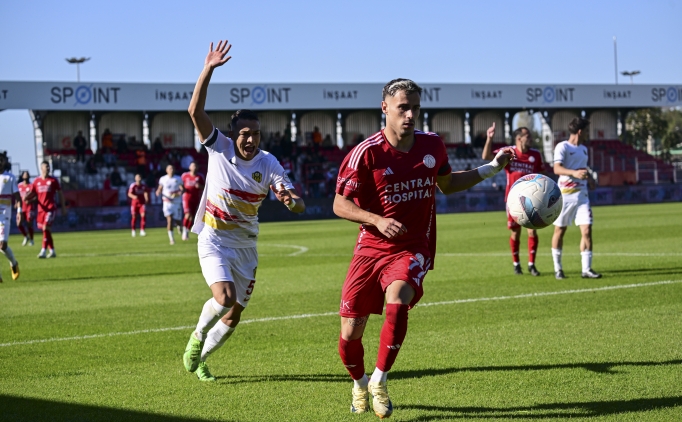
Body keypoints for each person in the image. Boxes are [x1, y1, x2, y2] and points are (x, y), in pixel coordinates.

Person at [334, 78, 513, 418]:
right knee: (349, 334)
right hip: (371, 247)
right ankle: (359, 383)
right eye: (403, 107)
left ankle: (380, 381)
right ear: (385, 107)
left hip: (413, 246)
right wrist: (376, 219)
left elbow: (447, 184)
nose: (410, 114)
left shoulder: (432, 145)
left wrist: (491, 168)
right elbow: (340, 204)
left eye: (415, 107)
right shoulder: (365, 152)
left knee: (398, 301)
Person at [182, 39, 306, 382]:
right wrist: (207, 69)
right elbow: (195, 112)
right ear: (233, 134)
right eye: (245, 134)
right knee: (223, 298)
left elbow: (296, 201)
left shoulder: (268, 164)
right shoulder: (218, 147)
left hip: (246, 246)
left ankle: (203, 358)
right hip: (214, 238)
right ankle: (195, 338)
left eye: (257, 134)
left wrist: (291, 201)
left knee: (234, 316)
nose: (251, 140)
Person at [482, 125, 544, 276]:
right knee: (515, 233)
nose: (530, 139)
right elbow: (486, 156)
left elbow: (542, 173)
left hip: (531, 201)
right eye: (527, 136)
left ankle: (532, 264)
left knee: (532, 232)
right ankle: (516, 264)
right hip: (513, 201)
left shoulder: (535, 155)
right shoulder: (509, 152)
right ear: (519, 138)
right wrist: (489, 138)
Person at [551, 117, 601, 280]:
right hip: (564, 196)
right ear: (580, 131)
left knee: (587, 230)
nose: (588, 134)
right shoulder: (562, 146)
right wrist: (573, 173)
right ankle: (558, 269)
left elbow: (583, 169)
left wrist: (590, 180)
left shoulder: (584, 149)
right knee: (560, 230)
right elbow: (557, 168)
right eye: (587, 131)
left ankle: (586, 269)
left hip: (582, 196)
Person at [25, 161, 66, 258]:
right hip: (40, 210)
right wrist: (26, 197)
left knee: (45, 228)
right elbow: (33, 192)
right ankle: (52, 251)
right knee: (46, 231)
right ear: (41, 168)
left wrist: (63, 207)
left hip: (50, 208)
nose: (48, 168)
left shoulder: (53, 180)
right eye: (46, 167)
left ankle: (43, 251)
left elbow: (60, 193)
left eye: (49, 167)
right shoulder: (36, 181)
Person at [0, 154, 21, 281]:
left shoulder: (10, 177)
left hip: (4, 214)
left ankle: (13, 263)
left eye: (1, 160)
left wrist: (19, 211)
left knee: (2, 245)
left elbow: (18, 197)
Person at [156, 164, 184, 245]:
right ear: (166, 170)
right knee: (170, 220)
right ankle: (171, 239)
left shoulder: (178, 178)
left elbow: (183, 189)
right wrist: (158, 191)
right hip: (167, 202)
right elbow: (160, 188)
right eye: (170, 168)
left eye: (172, 168)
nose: (171, 170)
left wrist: (178, 193)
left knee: (178, 220)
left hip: (176, 202)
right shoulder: (163, 179)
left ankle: (179, 226)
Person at [181, 162, 205, 241]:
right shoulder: (185, 175)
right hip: (186, 197)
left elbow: (205, 187)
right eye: (193, 166)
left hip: (196, 198)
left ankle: (187, 231)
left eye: (195, 166)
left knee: (192, 216)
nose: (194, 167)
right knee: (187, 214)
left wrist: (200, 186)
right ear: (189, 167)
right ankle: (184, 231)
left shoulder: (200, 176)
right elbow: (180, 184)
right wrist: (181, 189)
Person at [16, 171, 35, 246]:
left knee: (29, 223)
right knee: (18, 223)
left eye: (27, 174)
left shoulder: (31, 186)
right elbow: (17, 197)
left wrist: (30, 201)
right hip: (21, 208)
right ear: (22, 176)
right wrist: (16, 204)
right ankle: (25, 236)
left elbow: (36, 197)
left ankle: (32, 239)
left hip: (29, 208)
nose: (26, 176)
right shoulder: (19, 186)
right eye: (24, 174)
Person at [128, 173, 150, 237]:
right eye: (137, 177)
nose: (138, 178)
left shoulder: (143, 186)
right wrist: (133, 196)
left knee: (143, 215)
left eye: (139, 177)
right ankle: (133, 231)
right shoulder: (133, 185)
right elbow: (129, 194)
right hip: (134, 203)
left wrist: (146, 198)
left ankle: (142, 230)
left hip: (142, 203)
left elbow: (146, 192)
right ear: (135, 178)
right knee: (134, 216)